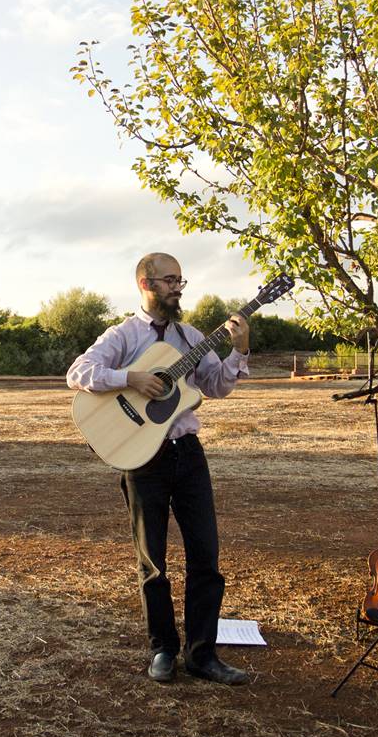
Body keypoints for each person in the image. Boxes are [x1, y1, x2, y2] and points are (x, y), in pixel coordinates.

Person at [67, 253, 252, 686]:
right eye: (171, 280)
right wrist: (129, 378)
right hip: (141, 458)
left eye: (181, 280)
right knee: (153, 561)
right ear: (146, 284)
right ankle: (163, 649)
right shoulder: (123, 334)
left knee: (205, 556)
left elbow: (217, 386)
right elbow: (79, 372)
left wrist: (239, 350)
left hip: (187, 454)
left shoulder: (190, 338)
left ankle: (203, 655)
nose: (178, 288)